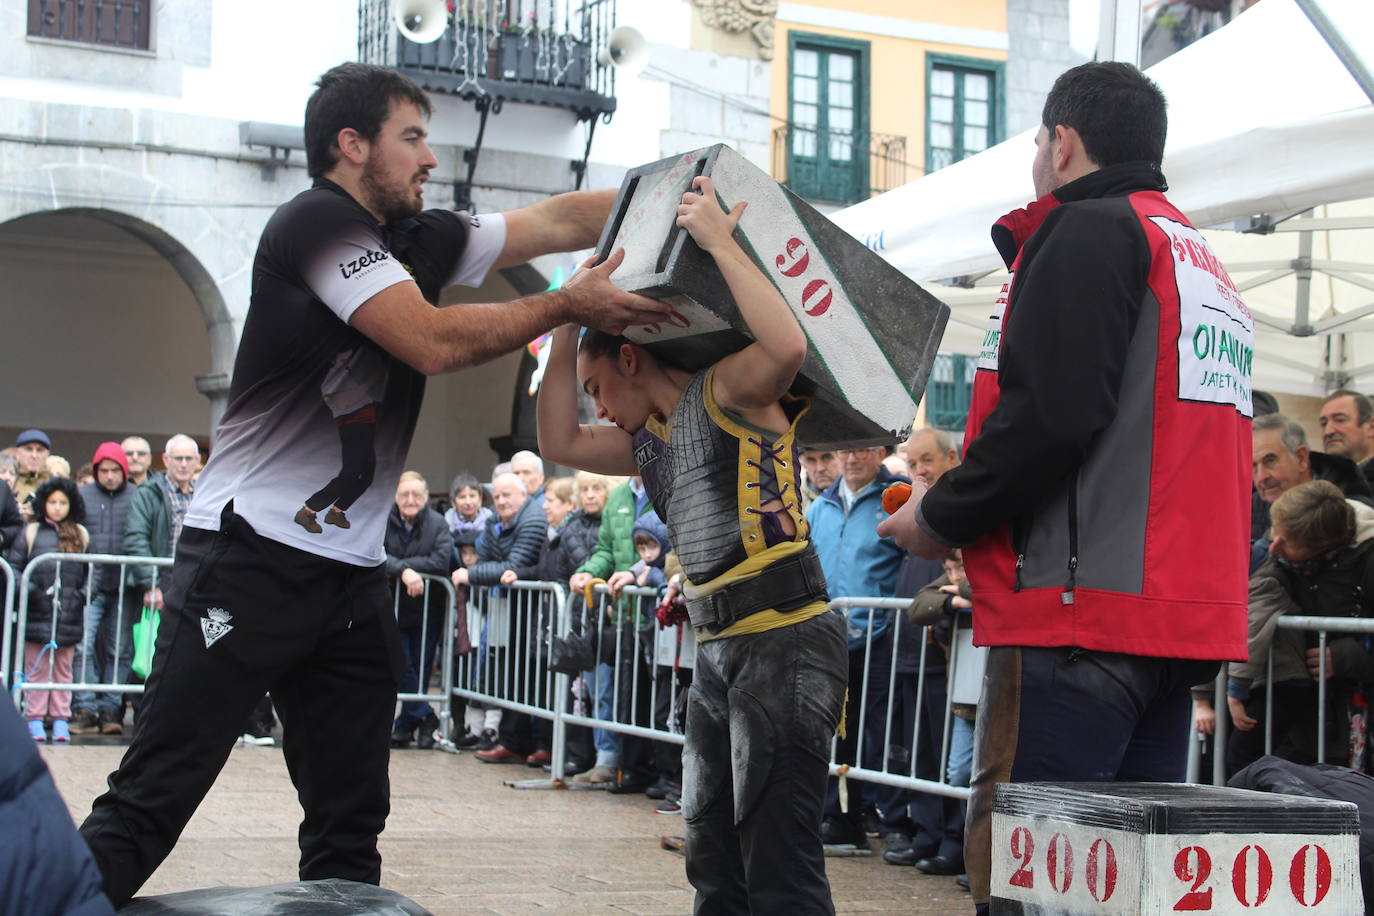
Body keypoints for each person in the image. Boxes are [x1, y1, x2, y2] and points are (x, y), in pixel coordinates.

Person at [79, 61, 666, 907]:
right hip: (248, 560)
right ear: (351, 146)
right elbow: (429, 341)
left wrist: (681, 202)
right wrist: (569, 303)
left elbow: (557, 216)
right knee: (151, 800)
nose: (432, 157)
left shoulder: (426, 237)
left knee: (352, 823)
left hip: (350, 578)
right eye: (413, 137)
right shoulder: (316, 224)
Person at [876, 62, 1251, 915]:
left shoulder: (1088, 230)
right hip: (1172, 616)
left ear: (1062, 142)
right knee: (1120, 890)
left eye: (1038, 143)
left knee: (1033, 879)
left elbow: (1051, 414)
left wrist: (938, 517)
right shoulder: (1193, 251)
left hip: (1083, 614)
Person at [538, 175, 847, 914]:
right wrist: (561, 321)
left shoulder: (729, 392)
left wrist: (717, 240)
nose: (596, 406)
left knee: (779, 860)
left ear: (631, 360)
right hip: (719, 648)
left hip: (785, 642)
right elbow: (553, 439)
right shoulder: (644, 440)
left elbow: (785, 343)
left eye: (596, 386)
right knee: (711, 850)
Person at [1228, 480, 1374, 774]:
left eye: (1288, 541)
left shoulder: (1367, 560)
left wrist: (1348, 656)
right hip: (1310, 714)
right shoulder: (1277, 555)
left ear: (1323, 547)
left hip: (1358, 708)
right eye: (1275, 532)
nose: (1274, 545)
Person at [805, 444, 909, 849]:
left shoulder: (894, 497)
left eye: (862, 450)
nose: (851, 459)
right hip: (830, 638)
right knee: (836, 732)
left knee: (883, 732)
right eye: (844, 451)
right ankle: (840, 816)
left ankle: (891, 820)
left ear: (880, 452)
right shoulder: (820, 506)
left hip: (880, 636)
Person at [463, 471, 550, 764]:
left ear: (523, 495)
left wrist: (473, 574)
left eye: (506, 495)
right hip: (506, 610)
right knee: (510, 674)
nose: (500, 501)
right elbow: (489, 561)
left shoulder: (534, 518)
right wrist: (490, 571)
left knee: (533, 677)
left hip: (534, 612)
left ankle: (539, 743)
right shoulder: (492, 521)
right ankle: (512, 740)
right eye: (497, 496)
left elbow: (513, 565)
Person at [7, 477, 89, 743]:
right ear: (44, 503)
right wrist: (29, 591)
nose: (56, 507)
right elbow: (15, 568)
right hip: (36, 613)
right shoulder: (30, 533)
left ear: (71, 504)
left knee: (64, 669)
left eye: (62, 502)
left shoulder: (80, 534)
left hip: (69, 615)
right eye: (52, 502)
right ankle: (35, 718)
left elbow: (93, 572)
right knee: (37, 667)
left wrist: (81, 596)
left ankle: (61, 718)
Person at [72, 443, 139, 736]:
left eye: (115, 470)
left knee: (119, 649)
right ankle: (85, 707)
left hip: (125, 585)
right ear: (96, 470)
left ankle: (112, 708)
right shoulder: (83, 495)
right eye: (104, 470)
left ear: (123, 471)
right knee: (83, 646)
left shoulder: (136, 496)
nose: (109, 476)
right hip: (91, 584)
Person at [385, 471, 453, 750]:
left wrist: (406, 567)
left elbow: (441, 560)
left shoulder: (438, 523)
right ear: (396, 498)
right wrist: (404, 570)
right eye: (404, 495)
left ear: (425, 498)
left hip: (428, 608)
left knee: (422, 667)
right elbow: (376, 553)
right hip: (393, 607)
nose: (410, 500)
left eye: (416, 495)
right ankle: (425, 716)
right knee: (401, 664)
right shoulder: (383, 520)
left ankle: (407, 723)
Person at [1320, 390, 1374, 487]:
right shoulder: (1321, 483)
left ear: (1371, 428)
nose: (1328, 431)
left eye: (1340, 420)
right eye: (1323, 424)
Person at [13, 429, 53, 521]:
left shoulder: (54, 483)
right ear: (17, 454)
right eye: (28, 449)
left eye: (40, 450)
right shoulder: (7, 481)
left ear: (47, 455)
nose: (34, 455)